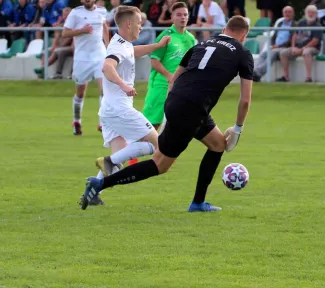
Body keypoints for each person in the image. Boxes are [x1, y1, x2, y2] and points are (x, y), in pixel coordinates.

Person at [80, 15, 254, 212]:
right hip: (193, 108)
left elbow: (174, 80)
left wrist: (175, 106)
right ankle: (100, 184)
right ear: (243, 36)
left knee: (218, 145)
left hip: (180, 101)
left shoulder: (202, 44)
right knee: (160, 164)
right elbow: (245, 100)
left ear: (224, 30)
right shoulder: (243, 53)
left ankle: (198, 202)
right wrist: (238, 129)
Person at [87, 6, 171, 205]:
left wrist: (157, 46)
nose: (141, 26)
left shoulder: (122, 43)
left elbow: (133, 52)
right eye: (139, 22)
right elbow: (107, 66)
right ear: (128, 24)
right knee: (155, 144)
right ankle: (109, 161)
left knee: (121, 154)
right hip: (119, 109)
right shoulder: (117, 47)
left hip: (108, 110)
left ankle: (93, 192)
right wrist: (123, 85)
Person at [61, 0, 109, 136]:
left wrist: (109, 48)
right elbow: (65, 33)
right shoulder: (76, 13)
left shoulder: (102, 11)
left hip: (99, 55)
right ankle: (77, 121)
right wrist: (82, 30)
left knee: (105, 89)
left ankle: (103, 123)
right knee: (81, 92)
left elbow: (105, 28)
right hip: (82, 58)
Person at [143, 2, 196, 130]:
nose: (183, 17)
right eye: (179, 15)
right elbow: (154, 61)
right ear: (172, 17)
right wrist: (169, 77)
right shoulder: (166, 35)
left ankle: (160, 149)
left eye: (185, 15)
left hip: (180, 87)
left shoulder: (191, 38)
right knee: (152, 123)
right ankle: (132, 146)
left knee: (173, 124)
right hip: (161, 84)